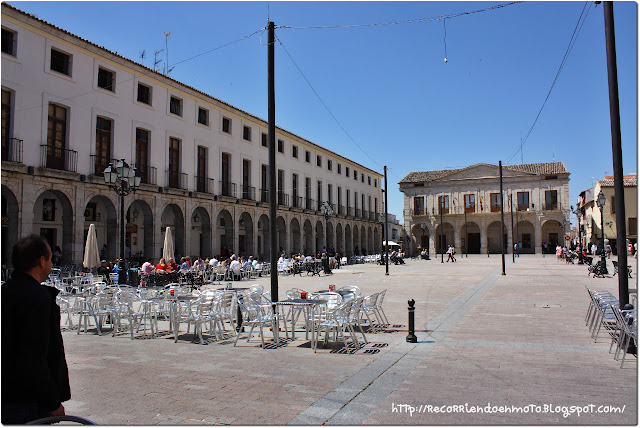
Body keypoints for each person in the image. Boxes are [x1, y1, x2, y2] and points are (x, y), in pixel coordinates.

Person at [2, 235, 71, 424]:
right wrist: (52, 401)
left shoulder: (5, 292)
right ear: (41, 261)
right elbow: (33, 357)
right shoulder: (37, 297)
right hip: (27, 401)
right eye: (49, 259)